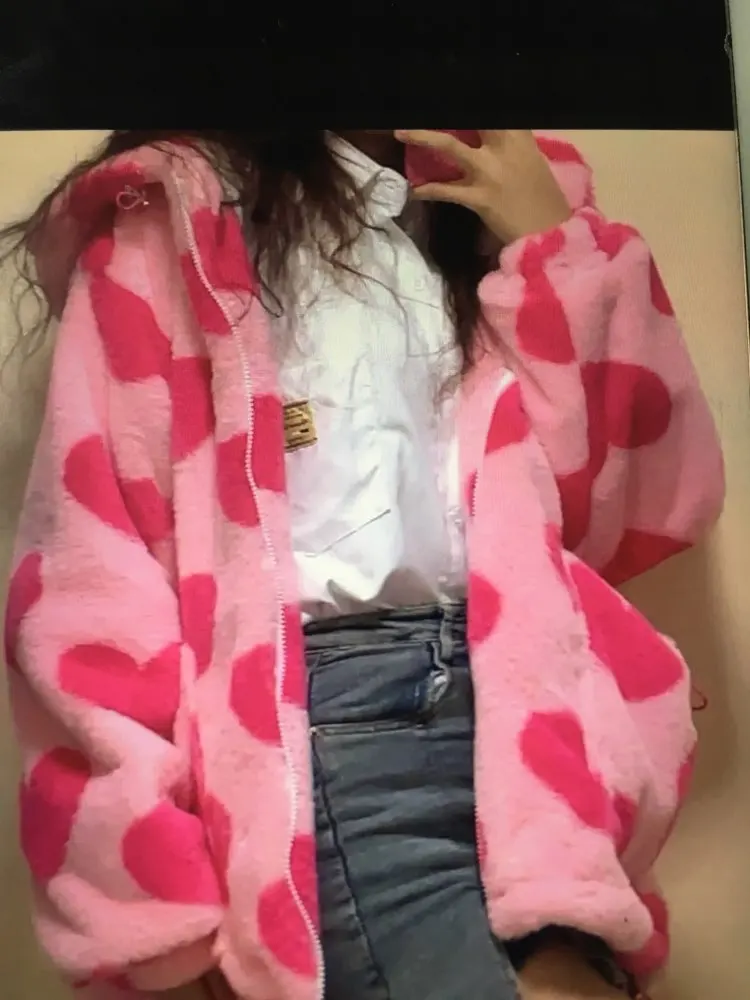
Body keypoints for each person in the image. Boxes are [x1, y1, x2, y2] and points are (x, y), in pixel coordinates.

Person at [1, 129, 724, 1000]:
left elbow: (646, 507)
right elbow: (91, 581)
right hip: (339, 728)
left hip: (539, 731)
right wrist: (151, 902)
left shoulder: (486, 205)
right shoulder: (175, 222)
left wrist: (557, 251)